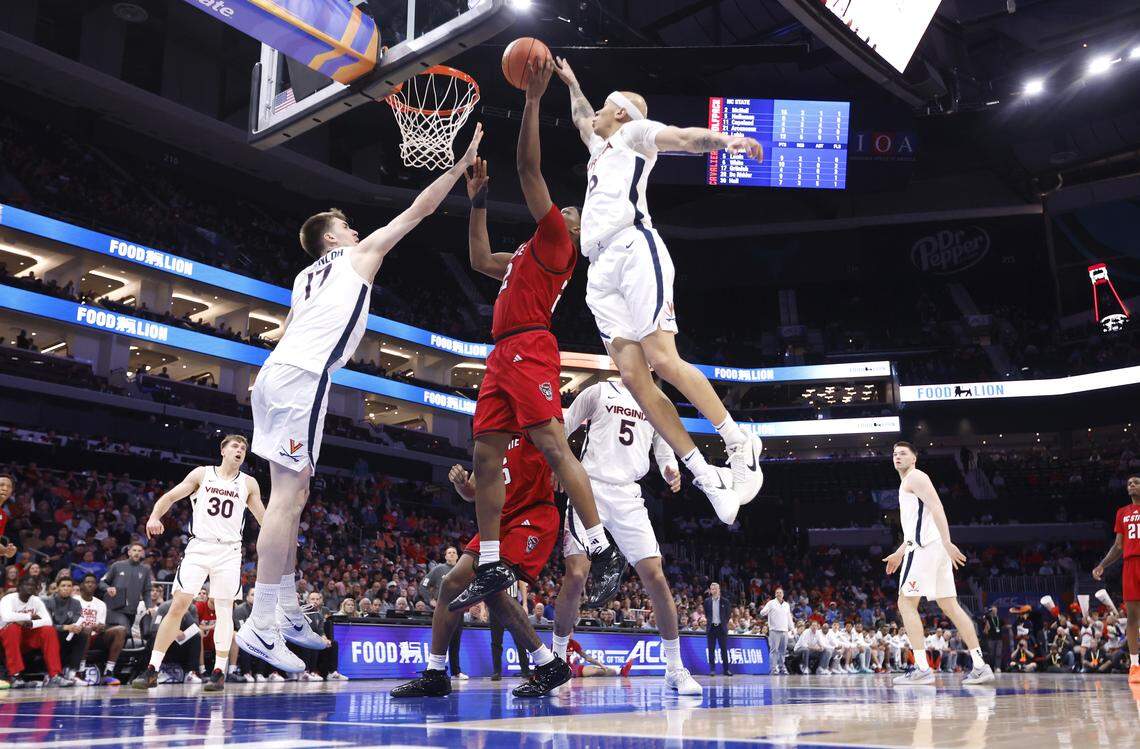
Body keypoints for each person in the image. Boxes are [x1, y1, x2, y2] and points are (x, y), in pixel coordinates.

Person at [239, 124, 484, 675]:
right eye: (344, 226)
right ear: (331, 238)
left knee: (294, 496)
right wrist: (460, 162)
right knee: (284, 499)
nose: (353, 230)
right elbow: (418, 211)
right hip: (303, 378)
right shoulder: (355, 258)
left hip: (279, 374)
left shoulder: (304, 277)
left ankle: (280, 610)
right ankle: (258, 622)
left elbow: (287, 329)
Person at [552, 57, 764, 522]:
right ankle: (707, 476)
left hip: (633, 247)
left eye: (605, 110)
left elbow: (687, 138)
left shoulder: (633, 134)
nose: (595, 118)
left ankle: (737, 441)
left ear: (622, 113)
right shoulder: (599, 146)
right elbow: (579, 114)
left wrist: (728, 141)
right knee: (635, 381)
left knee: (664, 359)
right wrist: (572, 83)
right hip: (599, 270)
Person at [449, 60, 623, 614]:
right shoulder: (525, 251)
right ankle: (494, 559)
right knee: (484, 454)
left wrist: (531, 99)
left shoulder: (556, 244)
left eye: (573, 209)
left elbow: (528, 169)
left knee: (550, 442)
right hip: (501, 353)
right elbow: (479, 259)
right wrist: (476, 197)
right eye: (565, 205)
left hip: (530, 345)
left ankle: (600, 545)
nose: (566, 207)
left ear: (576, 227)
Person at [392, 436, 570, 699]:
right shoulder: (492, 436)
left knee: (490, 584)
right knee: (452, 583)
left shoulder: (532, 423)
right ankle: (436, 673)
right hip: (496, 520)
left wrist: (562, 463)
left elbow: (561, 436)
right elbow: (471, 493)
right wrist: (460, 483)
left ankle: (548, 663)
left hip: (532, 515)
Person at [552, 379, 700, 695]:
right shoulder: (599, 391)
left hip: (628, 496)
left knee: (656, 577)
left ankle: (675, 669)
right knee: (576, 575)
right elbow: (563, 427)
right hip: (587, 486)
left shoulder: (657, 401)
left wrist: (670, 468)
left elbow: (663, 445)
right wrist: (559, 464)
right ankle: (555, 663)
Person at [133, 435, 266, 691]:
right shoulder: (203, 474)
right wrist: (154, 516)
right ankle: (152, 668)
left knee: (225, 608)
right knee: (179, 605)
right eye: (235, 446)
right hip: (199, 546)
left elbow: (262, 517)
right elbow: (170, 496)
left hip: (229, 551)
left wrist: (281, 538)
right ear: (223, 450)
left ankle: (218, 672)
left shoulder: (249, 483)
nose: (240, 450)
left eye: (244, 448)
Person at [883, 441, 995, 686]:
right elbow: (917, 527)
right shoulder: (909, 481)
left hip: (925, 549)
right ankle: (980, 665)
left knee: (906, 603)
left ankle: (922, 668)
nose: (897, 457)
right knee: (950, 605)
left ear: (914, 458)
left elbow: (937, 507)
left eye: (903, 453)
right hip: (931, 548)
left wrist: (948, 541)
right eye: (894, 454)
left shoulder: (915, 477)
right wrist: (900, 552)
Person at [1092, 474, 1140, 682]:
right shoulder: (1122, 512)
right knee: (1132, 617)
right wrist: (1102, 565)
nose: (1132, 485)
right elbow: (1118, 546)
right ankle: (1135, 666)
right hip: (1130, 565)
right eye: (1129, 483)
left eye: (1136, 482)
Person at [1, 575, 71, 687]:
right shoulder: (8, 599)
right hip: (6, 638)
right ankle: (15, 675)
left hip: (27, 637)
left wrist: (31, 623)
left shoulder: (36, 600)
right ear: (19, 586)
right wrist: (28, 616)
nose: (30, 587)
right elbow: (6, 617)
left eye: (33, 585)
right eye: (27, 584)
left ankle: (55, 675)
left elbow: (48, 621)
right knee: (12, 628)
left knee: (49, 630)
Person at [44, 576, 103, 685]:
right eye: (63, 586)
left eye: (69, 586)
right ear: (57, 588)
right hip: (52, 634)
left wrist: (77, 627)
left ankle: (72, 673)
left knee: (83, 633)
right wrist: (64, 627)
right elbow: (46, 624)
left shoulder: (76, 603)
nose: (66, 588)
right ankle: (52, 674)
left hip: (69, 634)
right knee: (52, 633)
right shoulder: (48, 602)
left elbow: (77, 621)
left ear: (72, 589)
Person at [74, 573, 128, 685]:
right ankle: (80, 671)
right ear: (82, 585)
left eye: (93, 582)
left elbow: (100, 626)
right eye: (87, 582)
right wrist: (87, 627)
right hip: (77, 637)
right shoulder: (74, 600)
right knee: (87, 629)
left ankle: (108, 672)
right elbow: (72, 623)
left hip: (94, 637)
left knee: (121, 630)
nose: (90, 584)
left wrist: (100, 627)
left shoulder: (101, 604)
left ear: (96, 586)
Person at [421, 546, 465, 680]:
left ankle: (456, 672)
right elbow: (423, 585)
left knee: (456, 642)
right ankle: (437, 670)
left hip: (458, 608)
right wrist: (430, 600)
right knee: (442, 639)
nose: (451, 555)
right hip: (443, 609)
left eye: (454, 553)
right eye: (449, 553)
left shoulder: (462, 570)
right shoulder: (439, 569)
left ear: (458, 556)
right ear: (445, 556)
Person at [99, 542, 153, 630]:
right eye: (134, 550)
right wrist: (107, 588)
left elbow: (147, 591)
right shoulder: (117, 565)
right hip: (115, 609)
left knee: (124, 637)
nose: (136, 553)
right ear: (129, 552)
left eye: (139, 551)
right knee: (124, 631)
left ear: (142, 553)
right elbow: (102, 582)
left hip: (132, 611)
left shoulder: (145, 570)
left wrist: (149, 607)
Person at [489, 581, 530, 681]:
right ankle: (497, 671)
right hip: (495, 602)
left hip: (512, 602)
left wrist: (524, 603)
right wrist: (484, 607)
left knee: (520, 638)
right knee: (496, 640)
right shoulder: (493, 566)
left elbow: (522, 583)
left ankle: (525, 670)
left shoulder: (514, 565)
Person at [760, 587, 793, 675]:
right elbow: (762, 613)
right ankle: (774, 669)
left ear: (783, 594)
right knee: (774, 651)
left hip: (784, 631)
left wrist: (792, 628)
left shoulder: (786, 605)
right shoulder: (771, 603)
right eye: (777, 592)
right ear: (775, 594)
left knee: (783, 651)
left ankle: (782, 667)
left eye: (780, 593)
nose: (779, 594)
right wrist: (766, 610)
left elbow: (789, 617)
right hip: (774, 630)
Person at [567, 638, 633, 678]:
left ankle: (621, 671)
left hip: (570, 667)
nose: (569, 634)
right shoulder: (557, 642)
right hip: (559, 668)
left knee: (597, 670)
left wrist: (601, 665)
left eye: (571, 632)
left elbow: (587, 657)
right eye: (567, 632)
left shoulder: (573, 643)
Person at [704, 582, 732, 676]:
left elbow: (728, 615)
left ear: (719, 590)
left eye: (715, 589)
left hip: (721, 628)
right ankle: (712, 670)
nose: (714, 590)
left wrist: (723, 623)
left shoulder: (725, 601)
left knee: (723, 650)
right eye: (712, 589)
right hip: (711, 628)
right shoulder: (707, 601)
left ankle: (726, 670)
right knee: (711, 650)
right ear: (710, 590)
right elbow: (707, 614)